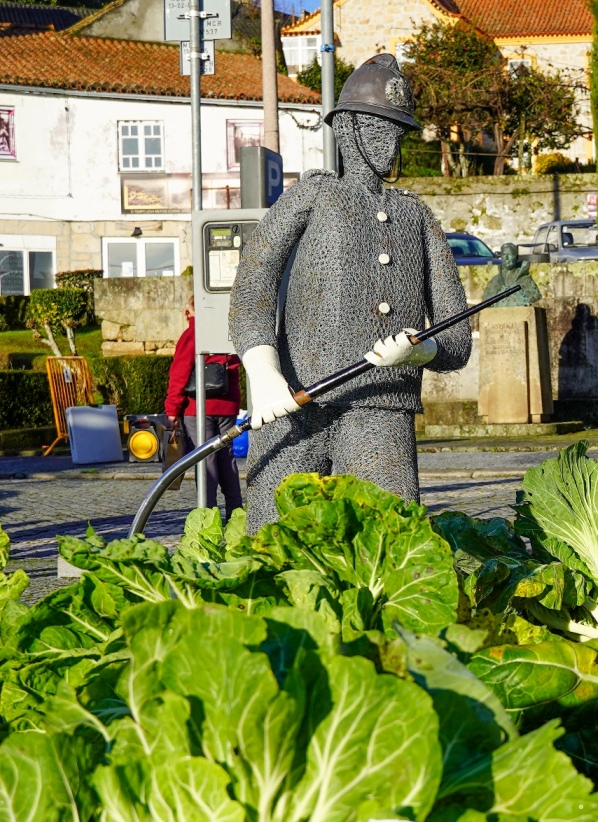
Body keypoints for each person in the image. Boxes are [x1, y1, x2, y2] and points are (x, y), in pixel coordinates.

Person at [228, 54, 473, 531]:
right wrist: (263, 371)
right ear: (347, 128)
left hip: (383, 405)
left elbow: (456, 338)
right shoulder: (314, 196)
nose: (390, 143)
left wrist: (420, 351)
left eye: (398, 132)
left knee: (389, 538)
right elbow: (254, 282)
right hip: (296, 398)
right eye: (378, 128)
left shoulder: (417, 216)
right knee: (275, 537)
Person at [165, 297, 244, 517]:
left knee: (205, 459)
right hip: (227, 405)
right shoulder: (227, 331)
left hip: (199, 407)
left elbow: (179, 374)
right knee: (227, 458)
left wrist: (172, 410)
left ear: (191, 312)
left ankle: (208, 514)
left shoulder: (194, 333)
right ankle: (236, 512)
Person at [483, 242, 542, 307]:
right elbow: (487, 299)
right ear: (501, 257)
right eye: (504, 255)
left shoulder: (526, 280)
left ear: (516, 257)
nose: (506, 258)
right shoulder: (493, 282)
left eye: (510, 255)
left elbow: (534, 296)